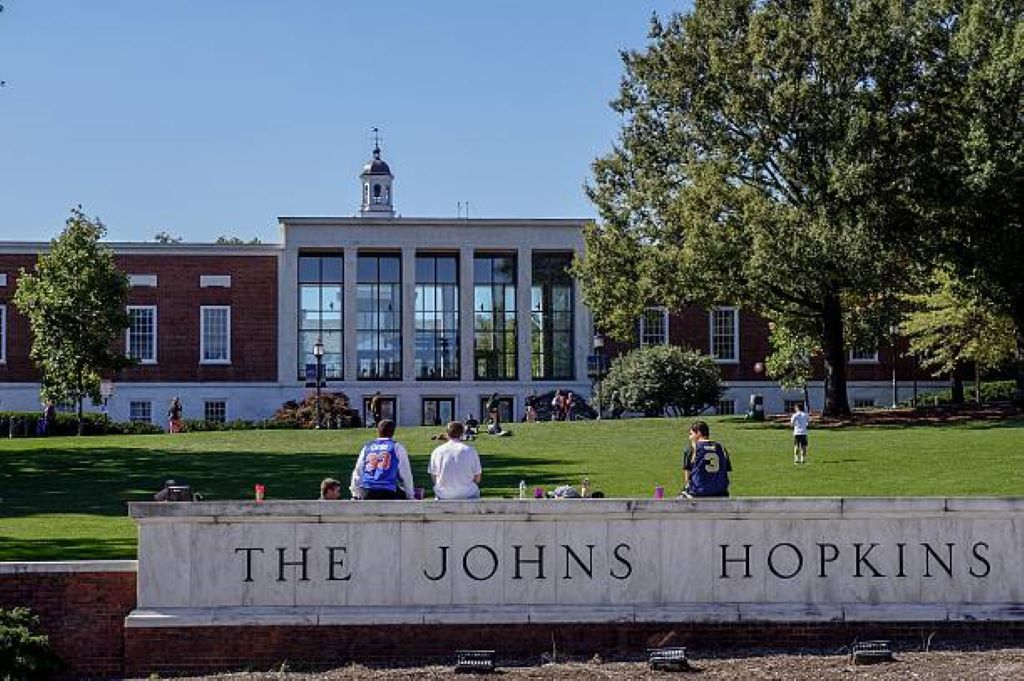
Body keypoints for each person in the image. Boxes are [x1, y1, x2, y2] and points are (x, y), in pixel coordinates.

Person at [349, 419, 415, 500]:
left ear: (378, 430)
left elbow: (358, 471)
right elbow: (405, 473)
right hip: (388, 490)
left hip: (368, 490)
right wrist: (410, 495)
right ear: (393, 431)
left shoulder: (367, 447)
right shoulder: (396, 447)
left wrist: (355, 493)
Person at [428, 421, 483, 500]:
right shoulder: (470, 450)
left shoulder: (437, 451)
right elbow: (477, 477)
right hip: (468, 493)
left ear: (447, 433)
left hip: (443, 494)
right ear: (462, 433)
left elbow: (434, 477)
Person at [681, 420, 732, 498]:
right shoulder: (721, 448)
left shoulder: (693, 449)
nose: (690, 437)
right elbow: (726, 473)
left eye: (691, 434)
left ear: (698, 432)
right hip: (721, 492)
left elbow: (687, 478)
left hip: (698, 493)